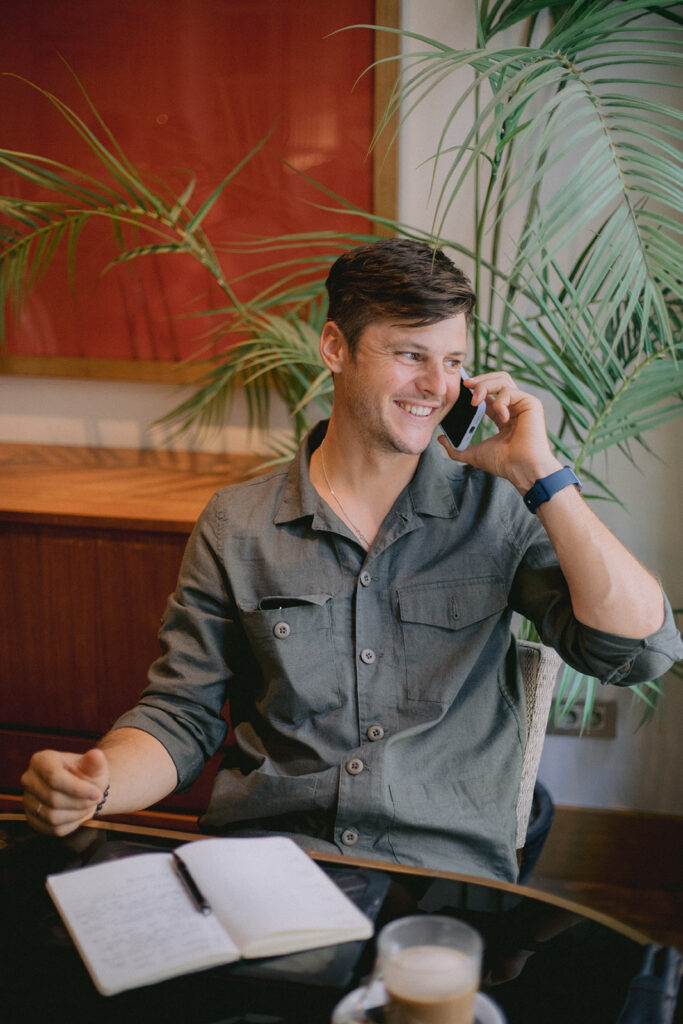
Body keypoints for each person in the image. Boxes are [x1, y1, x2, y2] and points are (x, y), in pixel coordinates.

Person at [21, 239, 682, 881]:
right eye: (409, 355)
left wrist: (540, 472)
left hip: (440, 881)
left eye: (453, 362)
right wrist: (97, 781)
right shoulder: (238, 523)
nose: (436, 386)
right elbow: (181, 715)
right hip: (269, 865)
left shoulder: (497, 509)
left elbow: (636, 651)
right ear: (335, 348)